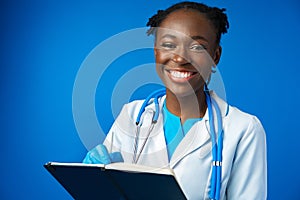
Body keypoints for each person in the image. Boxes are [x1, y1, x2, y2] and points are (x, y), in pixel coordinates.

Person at [83, 1, 267, 199]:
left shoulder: (243, 129)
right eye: (169, 45)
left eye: (197, 47)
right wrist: (93, 184)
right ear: (156, 52)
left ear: (215, 56)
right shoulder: (132, 115)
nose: (180, 58)